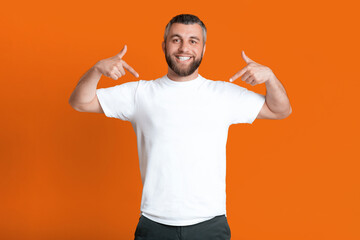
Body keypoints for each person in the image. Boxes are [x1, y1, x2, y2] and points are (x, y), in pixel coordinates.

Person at [69, 14, 291, 240]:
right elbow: (80, 101)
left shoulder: (223, 94)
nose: (184, 47)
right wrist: (96, 70)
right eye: (176, 39)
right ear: (164, 45)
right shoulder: (140, 94)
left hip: (210, 224)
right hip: (154, 224)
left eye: (193, 41)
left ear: (203, 49)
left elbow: (280, 110)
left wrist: (270, 77)